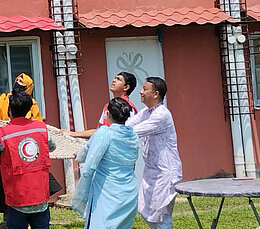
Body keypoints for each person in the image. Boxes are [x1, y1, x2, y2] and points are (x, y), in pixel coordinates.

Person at [0, 91, 56, 229]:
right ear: (30, 109)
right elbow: (52, 147)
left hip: (17, 200)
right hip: (41, 198)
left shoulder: (2, 134)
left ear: (9, 110)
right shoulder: (42, 129)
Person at [71, 98, 139, 229]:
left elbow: (87, 153)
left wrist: (78, 155)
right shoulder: (133, 135)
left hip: (106, 190)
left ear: (108, 114)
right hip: (129, 190)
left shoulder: (105, 133)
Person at [126, 77, 182, 229]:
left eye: (145, 89)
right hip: (151, 171)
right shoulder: (146, 112)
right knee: (146, 210)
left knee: (161, 215)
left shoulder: (162, 115)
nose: (140, 92)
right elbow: (127, 125)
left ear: (156, 94)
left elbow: (132, 131)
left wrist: (110, 133)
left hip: (165, 172)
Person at [0, 73, 43, 227]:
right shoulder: (4, 98)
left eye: (21, 81)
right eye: (17, 80)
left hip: (27, 148)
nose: (17, 83)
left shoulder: (32, 103)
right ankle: (8, 216)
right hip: (8, 145)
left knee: (29, 181)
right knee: (6, 182)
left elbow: (36, 121)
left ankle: (33, 213)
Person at [68, 72, 137, 139]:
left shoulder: (128, 107)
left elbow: (128, 132)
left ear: (126, 87)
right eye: (115, 78)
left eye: (118, 79)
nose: (113, 80)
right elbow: (99, 131)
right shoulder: (107, 106)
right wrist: (72, 134)